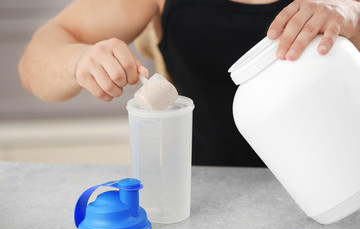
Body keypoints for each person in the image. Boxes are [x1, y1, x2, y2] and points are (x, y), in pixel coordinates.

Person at [18, 0, 360, 167]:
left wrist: (353, 13)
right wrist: (77, 61)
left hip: (343, 189)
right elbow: (34, 62)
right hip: (205, 194)